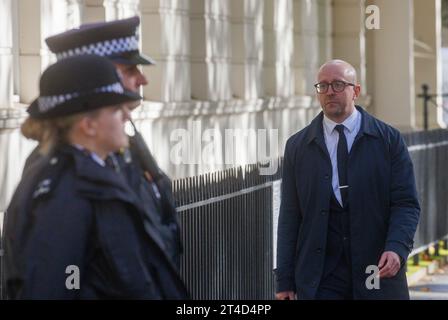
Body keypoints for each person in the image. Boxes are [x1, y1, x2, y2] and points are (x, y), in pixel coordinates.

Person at [2, 55, 188, 299]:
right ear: (88, 126)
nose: (127, 116)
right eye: (115, 109)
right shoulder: (68, 192)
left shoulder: (91, 177)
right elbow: (60, 284)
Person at [21, 16, 182, 269]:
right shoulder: (57, 172)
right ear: (93, 77)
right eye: (129, 70)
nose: (142, 80)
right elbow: (63, 276)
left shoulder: (119, 150)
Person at [275, 59, 420, 300]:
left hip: (375, 269)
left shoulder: (388, 140)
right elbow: (290, 215)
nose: (330, 91)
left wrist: (396, 248)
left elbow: (405, 203)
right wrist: (285, 280)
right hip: (320, 276)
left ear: (356, 91)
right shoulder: (298, 147)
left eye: (339, 84)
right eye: (323, 86)